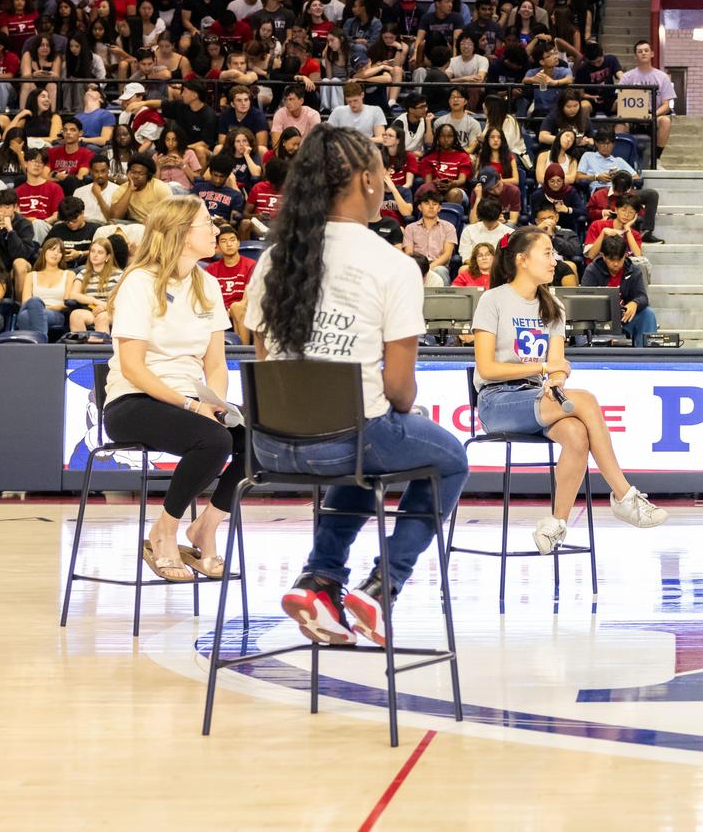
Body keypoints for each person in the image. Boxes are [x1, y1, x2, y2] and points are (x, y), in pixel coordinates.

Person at [241, 127, 470, 648]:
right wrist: (400, 412)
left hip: (269, 444)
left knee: (361, 450)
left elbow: (262, 359)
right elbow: (399, 391)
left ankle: (321, 580)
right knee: (447, 457)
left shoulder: (274, 257)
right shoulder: (392, 263)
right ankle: (383, 585)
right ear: (367, 181)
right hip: (347, 441)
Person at [471, 225, 668, 556]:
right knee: (587, 401)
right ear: (522, 260)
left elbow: (557, 364)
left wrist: (557, 375)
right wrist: (544, 369)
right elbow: (487, 368)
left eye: (554, 254)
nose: (554, 260)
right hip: (498, 401)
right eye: (547, 253)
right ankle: (623, 495)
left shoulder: (553, 307)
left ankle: (555, 525)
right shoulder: (493, 300)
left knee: (577, 434)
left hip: (538, 395)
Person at [101, 196, 242, 586]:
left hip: (192, 402)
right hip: (134, 402)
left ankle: (205, 528)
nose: (216, 230)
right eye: (207, 225)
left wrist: (213, 402)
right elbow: (132, 366)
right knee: (214, 441)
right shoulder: (139, 282)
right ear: (180, 235)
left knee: (265, 440)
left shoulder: (208, 284)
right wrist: (191, 406)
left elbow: (216, 363)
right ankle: (164, 530)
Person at [580, 232, 657, 346]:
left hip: (625, 319)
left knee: (648, 314)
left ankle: (646, 356)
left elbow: (642, 297)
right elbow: (584, 299)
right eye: (611, 260)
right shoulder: (592, 271)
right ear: (603, 256)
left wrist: (634, 303)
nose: (616, 264)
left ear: (625, 256)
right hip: (598, 321)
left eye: (619, 259)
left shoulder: (633, 270)